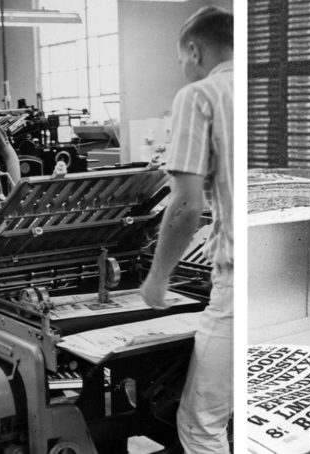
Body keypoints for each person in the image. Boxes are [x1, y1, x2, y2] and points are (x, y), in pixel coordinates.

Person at [139, 6, 233, 453]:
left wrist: (158, 277)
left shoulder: (199, 95)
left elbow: (185, 206)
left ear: (194, 50)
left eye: (181, 59)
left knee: (200, 424)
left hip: (233, 284)